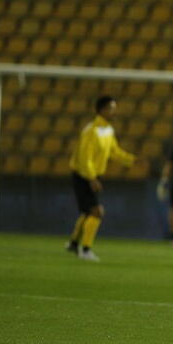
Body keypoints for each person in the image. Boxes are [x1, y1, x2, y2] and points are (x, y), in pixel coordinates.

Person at [66, 96, 137, 261]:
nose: (114, 112)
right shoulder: (91, 130)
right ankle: (85, 249)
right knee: (97, 212)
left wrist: (132, 160)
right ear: (101, 110)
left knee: (87, 212)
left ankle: (73, 244)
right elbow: (85, 158)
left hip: (92, 174)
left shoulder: (107, 130)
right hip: (83, 174)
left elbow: (114, 152)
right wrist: (91, 178)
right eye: (111, 108)